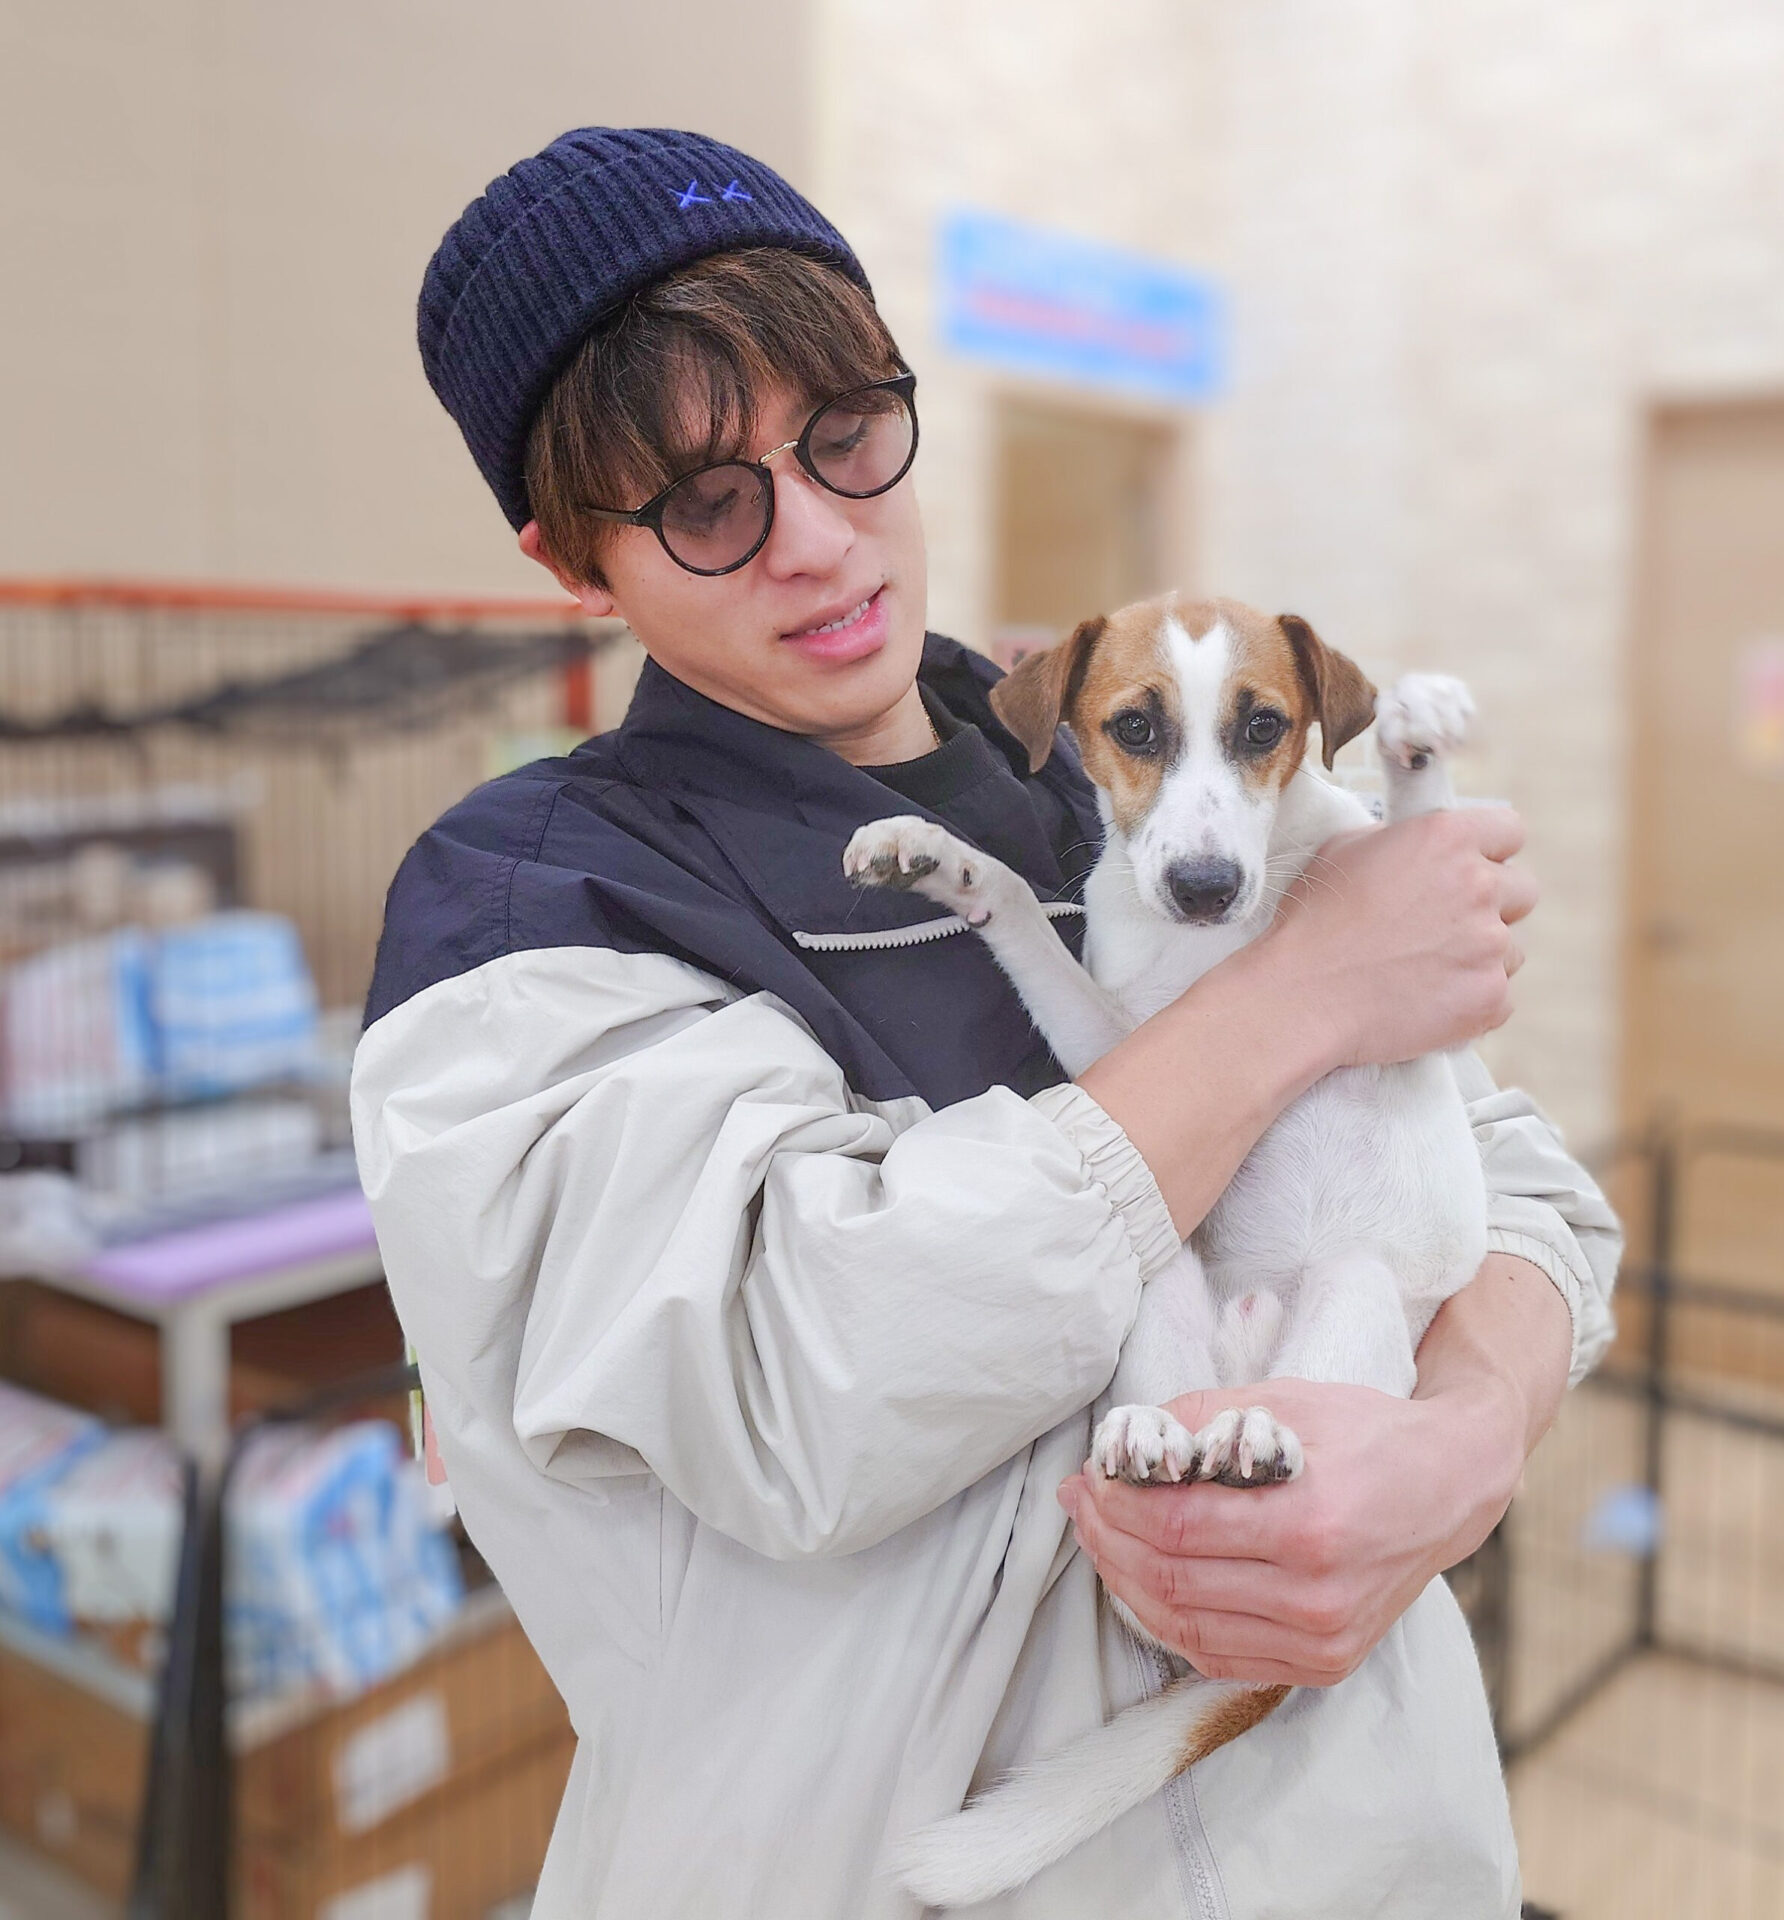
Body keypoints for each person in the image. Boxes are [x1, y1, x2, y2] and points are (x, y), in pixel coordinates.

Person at [353, 127, 1620, 1918]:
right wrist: (1302, 991)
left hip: (1374, 1854)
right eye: (706, 504)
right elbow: (801, 1384)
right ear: (574, 559)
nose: (818, 541)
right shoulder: (533, 906)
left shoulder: (1100, 753)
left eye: (846, 432)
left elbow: (1506, 1177)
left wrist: (1469, 1436)